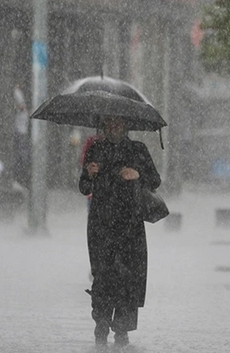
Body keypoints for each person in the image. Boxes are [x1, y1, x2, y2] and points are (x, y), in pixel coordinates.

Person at [79, 116, 161, 346]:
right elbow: (83, 186)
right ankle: (101, 324)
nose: (114, 126)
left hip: (130, 225)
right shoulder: (96, 149)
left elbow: (155, 180)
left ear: (126, 125)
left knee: (129, 277)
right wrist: (89, 172)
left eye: (119, 123)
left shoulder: (138, 150)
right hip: (100, 224)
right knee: (103, 275)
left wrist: (138, 175)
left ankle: (122, 329)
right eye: (110, 122)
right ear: (104, 125)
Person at [13, 82, 30, 188]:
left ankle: (22, 179)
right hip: (19, 129)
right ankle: (19, 179)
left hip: (23, 129)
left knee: (23, 155)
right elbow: (20, 107)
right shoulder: (16, 92)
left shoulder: (20, 93)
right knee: (21, 155)